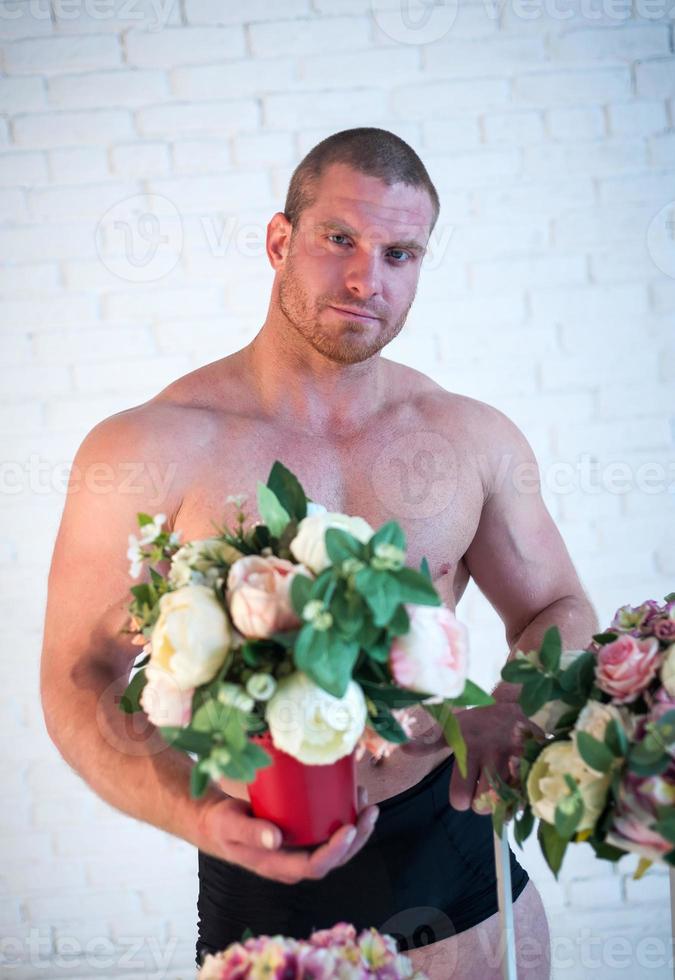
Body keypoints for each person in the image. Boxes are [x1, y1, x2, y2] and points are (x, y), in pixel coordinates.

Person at [41, 127, 598, 979]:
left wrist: (514, 701)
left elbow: (555, 604)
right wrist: (192, 815)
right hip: (258, 855)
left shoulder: (467, 437)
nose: (365, 278)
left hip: (447, 844)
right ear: (279, 240)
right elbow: (77, 677)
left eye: (400, 253)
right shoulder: (146, 448)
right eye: (340, 238)